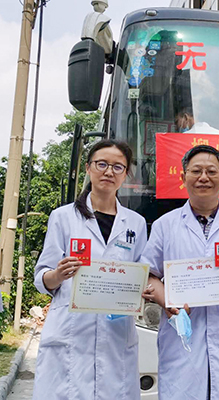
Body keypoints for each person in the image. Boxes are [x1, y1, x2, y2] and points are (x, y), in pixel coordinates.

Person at [141, 144, 219, 399]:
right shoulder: (165, 225)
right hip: (183, 331)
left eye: (211, 171)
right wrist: (168, 302)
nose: (203, 177)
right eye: (196, 171)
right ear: (183, 177)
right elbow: (150, 275)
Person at [32, 140, 147, 400]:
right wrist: (57, 275)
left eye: (118, 167)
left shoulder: (136, 223)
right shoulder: (63, 217)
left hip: (116, 331)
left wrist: (144, 290)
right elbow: (42, 277)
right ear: (88, 168)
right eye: (102, 164)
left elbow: (142, 274)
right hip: (72, 330)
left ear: (126, 174)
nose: (109, 172)